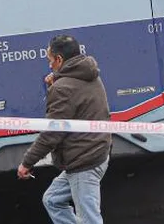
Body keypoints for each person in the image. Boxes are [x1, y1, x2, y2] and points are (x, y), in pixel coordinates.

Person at [18, 35, 111, 224]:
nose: (49, 65)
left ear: (59, 59)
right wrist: (57, 81)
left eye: (50, 60)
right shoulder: (90, 74)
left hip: (83, 161)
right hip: (97, 152)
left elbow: (52, 133)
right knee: (53, 200)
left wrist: (27, 163)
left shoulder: (63, 88)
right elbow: (75, 102)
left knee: (89, 219)